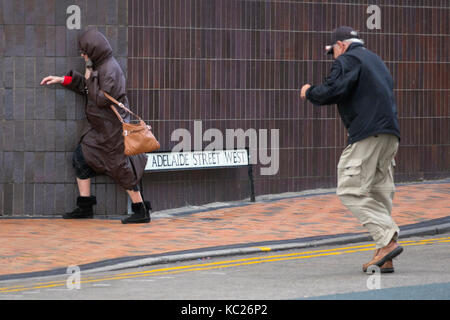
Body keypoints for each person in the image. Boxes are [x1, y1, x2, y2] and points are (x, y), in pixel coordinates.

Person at [300, 26, 403, 273]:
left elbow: (334, 89)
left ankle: (388, 240)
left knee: (350, 188)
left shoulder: (349, 58)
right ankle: (384, 255)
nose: (333, 58)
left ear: (341, 45)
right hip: (390, 134)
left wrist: (310, 92)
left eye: (332, 52)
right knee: (379, 192)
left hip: (367, 134)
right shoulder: (375, 59)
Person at [41, 28, 151, 224]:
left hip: (112, 132)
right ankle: (85, 207)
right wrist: (63, 79)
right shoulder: (100, 66)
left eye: (84, 51)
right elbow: (87, 88)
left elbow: (100, 99)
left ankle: (141, 210)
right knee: (80, 158)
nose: (82, 55)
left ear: (94, 50)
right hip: (99, 131)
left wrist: (89, 75)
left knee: (121, 168)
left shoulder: (110, 69)